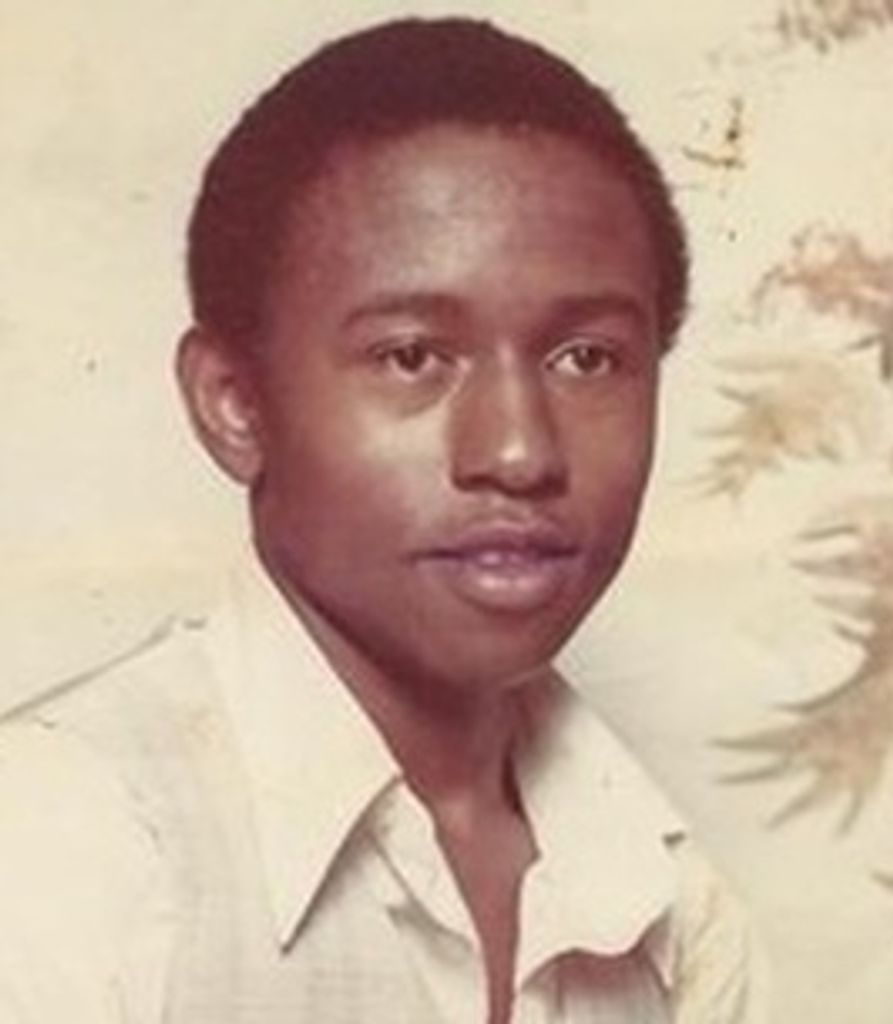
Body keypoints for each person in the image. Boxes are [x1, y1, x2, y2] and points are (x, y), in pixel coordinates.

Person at [0, 17, 763, 1024]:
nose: (519, 451)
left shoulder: (667, 899)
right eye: (412, 357)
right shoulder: (62, 846)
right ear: (234, 403)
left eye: (585, 358)